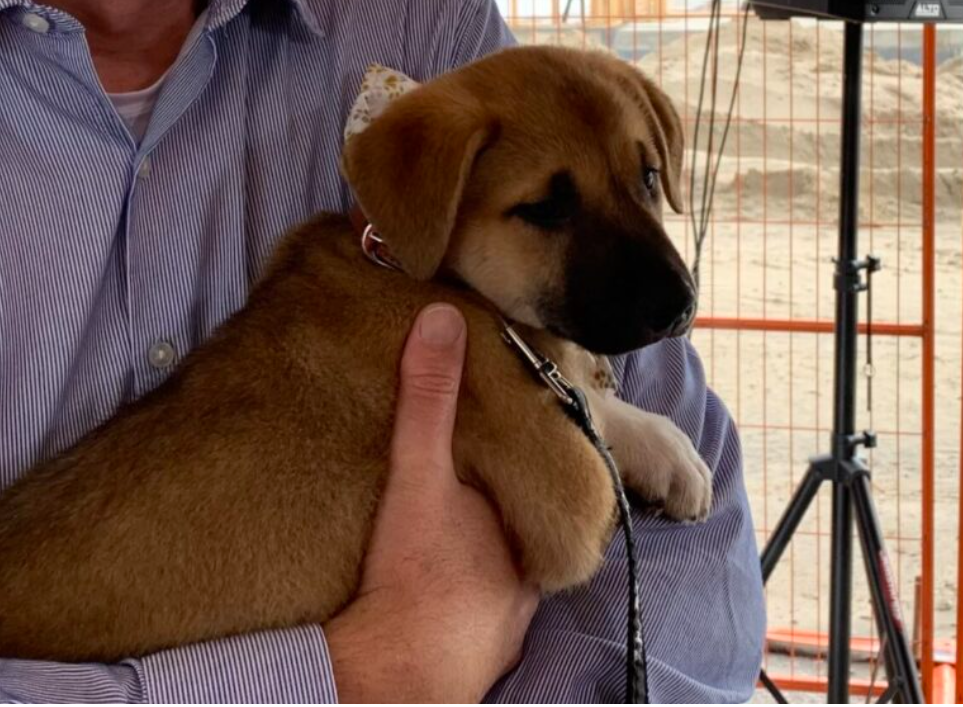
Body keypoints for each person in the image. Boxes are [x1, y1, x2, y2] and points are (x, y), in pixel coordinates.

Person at [0, 0, 766, 702]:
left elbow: (682, 557)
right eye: (547, 210)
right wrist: (359, 677)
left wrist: (592, 412)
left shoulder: (419, 24)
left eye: (644, 182)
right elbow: (570, 528)